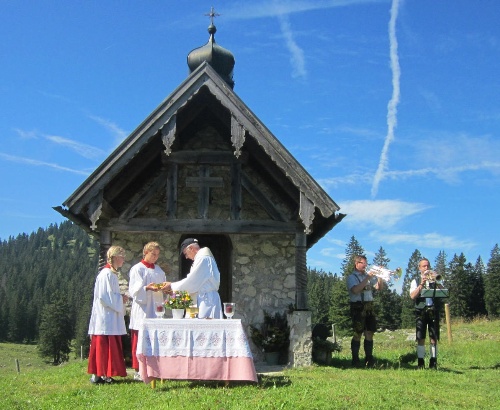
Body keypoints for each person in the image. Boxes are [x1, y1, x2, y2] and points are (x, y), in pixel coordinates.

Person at [88, 246, 128, 384]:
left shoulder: (110, 274)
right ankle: (103, 374)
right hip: (106, 317)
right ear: (116, 257)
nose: (123, 260)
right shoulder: (107, 275)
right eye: (122, 257)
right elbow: (105, 297)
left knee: (105, 346)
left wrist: (119, 298)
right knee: (105, 346)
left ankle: (102, 374)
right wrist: (120, 299)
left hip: (108, 316)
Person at [128, 242, 166, 380]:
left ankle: (154, 368)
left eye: (157, 255)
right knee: (139, 339)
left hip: (155, 307)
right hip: (142, 309)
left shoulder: (159, 270)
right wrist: (147, 288)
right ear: (146, 253)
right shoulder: (137, 269)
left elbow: (163, 284)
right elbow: (134, 291)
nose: (155, 257)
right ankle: (138, 370)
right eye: (153, 254)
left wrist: (165, 289)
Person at [164, 238, 222, 319]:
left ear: (191, 248)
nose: (186, 257)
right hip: (202, 299)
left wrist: (172, 286)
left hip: (206, 301)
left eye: (185, 253)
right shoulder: (201, 258)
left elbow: (192, 281)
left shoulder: (203, 258)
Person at [346, 254, 384, 367]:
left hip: (369, 306)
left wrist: (380, 276)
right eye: (363, 263)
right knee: (357, 333)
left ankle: (369, 359)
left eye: (366, 263)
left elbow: (379, 288)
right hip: (358, 306)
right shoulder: (352, 277)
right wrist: (368, 277)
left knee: (369, 332)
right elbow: (355, 290)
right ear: (357, 264)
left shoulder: (367, 277)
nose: (366, 265)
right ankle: (355, 359)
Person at [410, 258, 444, 369]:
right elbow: (412, 296)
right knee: (420, 337)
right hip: (421, 311)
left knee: (433, 336)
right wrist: (421, 284)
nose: (426, 268)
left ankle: (433, 361)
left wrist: (437, 282)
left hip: (433, 310)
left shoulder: (434, 280)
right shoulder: (415, 280)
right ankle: (420, 362)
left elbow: (444, 291)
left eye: (428, 266)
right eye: (424, 266)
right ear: (419, 268)